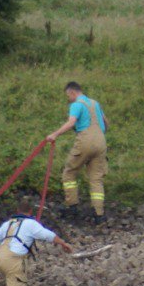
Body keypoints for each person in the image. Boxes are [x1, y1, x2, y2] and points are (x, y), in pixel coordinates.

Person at [46, 81, 108, 224]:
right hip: (101, 140)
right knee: (96, 178)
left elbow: (71, 122)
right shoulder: (95, 103)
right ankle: (99, 214)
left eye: (68, 96)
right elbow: (106, 122)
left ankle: (71, 206)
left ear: (72, 93)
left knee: (69, 172)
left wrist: (54, 134)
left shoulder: (76, 104)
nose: (68, 99)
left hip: (85, 140)